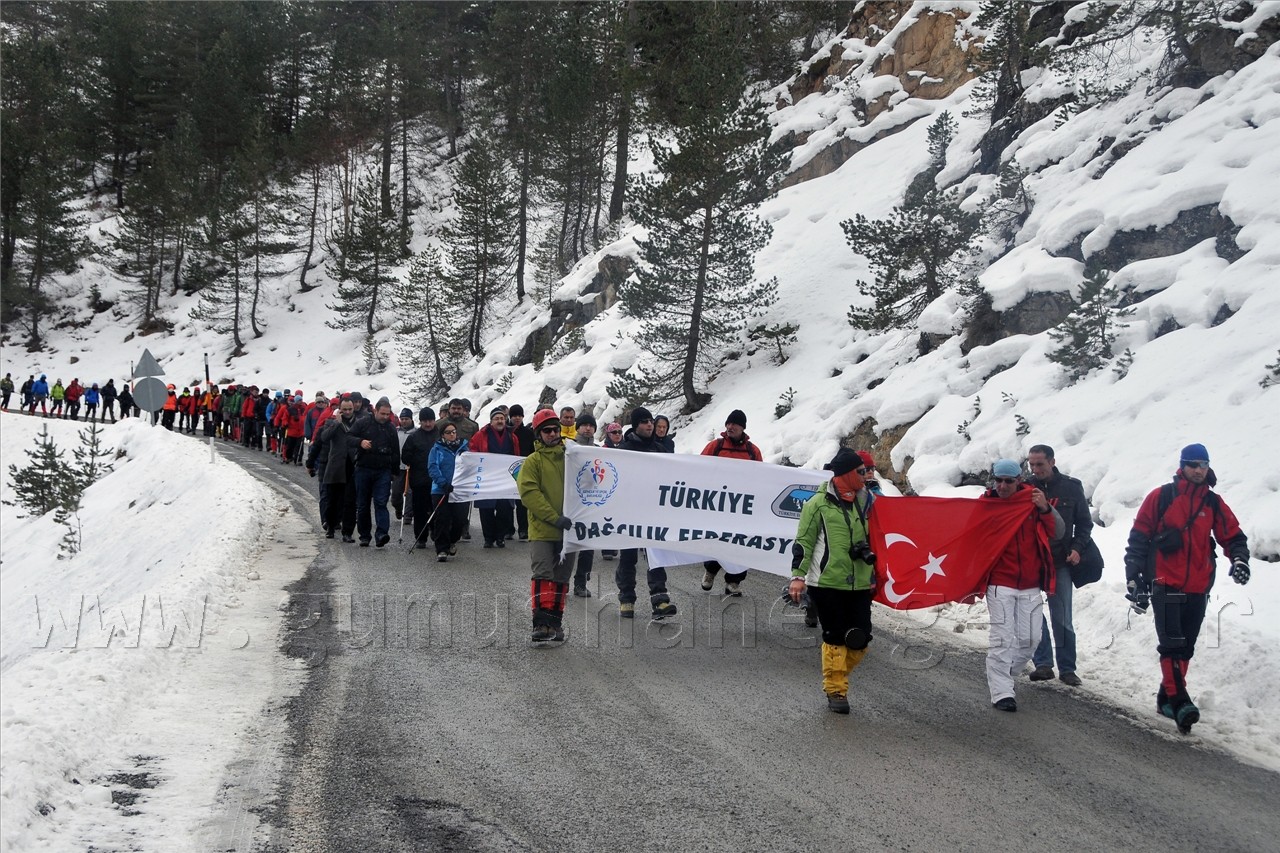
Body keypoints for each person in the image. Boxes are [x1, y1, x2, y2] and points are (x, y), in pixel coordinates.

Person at [1124, 443, 1249, 734]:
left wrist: (1240, 560)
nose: (1197, 470)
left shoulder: (1213, 503)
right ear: (1182, 466)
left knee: (1187, 647)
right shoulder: (1161, 496)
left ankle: (1164, 698)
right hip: (1164, 583)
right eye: (1192, 464)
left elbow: (1233, 535)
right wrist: (1134, 575)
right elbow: (1138, 538)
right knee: (1172, 644)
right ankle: (1180, 702)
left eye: (1202, 465)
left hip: (1198, 585)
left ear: (1208, 467)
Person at [788, 448, 877, 714]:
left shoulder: (868, 501)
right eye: (860, 472)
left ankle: (834, 672)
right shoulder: (817, 504)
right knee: (835, 636)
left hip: (860, 581)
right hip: (826, 582)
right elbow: (803, 541)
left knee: (860, 639)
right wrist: (798, 576)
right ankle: (836, 689)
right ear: (847, 474)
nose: (866, 476)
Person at [981, 459, 1064, 712]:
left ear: (1019, 480)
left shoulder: (1034, 501)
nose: (1003, 486)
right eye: (999, 480)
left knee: (1030, 639)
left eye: (1008, 480)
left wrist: (1045, 509)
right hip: (999, 583)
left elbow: (1058, 532)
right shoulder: (987, 505)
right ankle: (1002, 692)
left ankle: (1005, 673)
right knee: (1002, 639)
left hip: (1029, 584)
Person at [1027, 444, 1094, 687]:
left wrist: (1077, 548)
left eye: (1040, 464)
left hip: (1060, 562)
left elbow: (1085, 524)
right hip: (1032, 562)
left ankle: (1068, 668)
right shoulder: (1024, 487)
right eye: (1031, 464)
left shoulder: (1071, 487)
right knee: (1034, 616)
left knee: (1062, 617)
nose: (1035, 469)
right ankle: (1043, 663)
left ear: (1052, 462)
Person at [517, 408, 578, 644]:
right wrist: (554, 518)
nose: (552, 433)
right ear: (539, 434)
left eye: (555, 429)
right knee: (543, 574)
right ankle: (541, 623)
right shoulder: (533, 462)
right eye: (547, 430)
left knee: (562, 578)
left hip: (571, 530)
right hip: (543, 529)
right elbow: (530, 494)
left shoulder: (573, 457)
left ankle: (555, 623)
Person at [614, 407, 678, 620]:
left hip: (654, 512)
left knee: (655, 555)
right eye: (644, 422)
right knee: (628, 557)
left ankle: (660, 599)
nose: (650, 425)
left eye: (651, 421)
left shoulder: (661, 450)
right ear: (635, 425)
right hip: (630, 512)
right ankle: (626, 599)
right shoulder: (624, 450)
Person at [700, 409, 764, 597]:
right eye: (728, 423)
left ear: (742, 427)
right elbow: (697, 468)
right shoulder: (716, 446)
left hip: (742, 507)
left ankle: (734, 581)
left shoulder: (753, 451)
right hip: (718, 505)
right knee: (717, 540)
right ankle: (710, 571)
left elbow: (762, 477)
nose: (730, 427)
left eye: (734, 424)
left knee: (740, 544)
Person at [349, 397, 399, 547]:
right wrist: (360, 442)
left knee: (381, 502)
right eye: (382, 414)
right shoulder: (363, 423)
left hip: (383, 470)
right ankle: (364, 535)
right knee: (363, 504)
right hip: (363, 468)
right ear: (375, 411)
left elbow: (396, 451)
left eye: (387, 414)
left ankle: (382, 534)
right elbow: (348, 437)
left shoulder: (390, 428)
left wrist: (395, 471)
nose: (385, 417)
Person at [468, 407, 518, 548]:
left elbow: (516, 455)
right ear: (491, 421)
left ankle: (500, 536)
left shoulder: (512, 436)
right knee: (486, 509)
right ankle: (488, 538)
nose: (500, 421)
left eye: (502, 418)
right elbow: (473, 450)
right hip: (486, 478)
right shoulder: (480, 435)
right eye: (496, 418)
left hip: (505, 479)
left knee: (505, 508)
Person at [317, 398, 358, 541]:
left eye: (350, 409)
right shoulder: (331, 422)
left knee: (349, 501)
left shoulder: (358, 423)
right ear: (339, 410)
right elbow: (324, 437)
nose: (347, 412)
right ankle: (330, 526)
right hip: (335, 467)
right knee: (332, 500)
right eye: (344, 409)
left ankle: (347, 532)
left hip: (351, 465)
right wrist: (337, 423)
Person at [427, 422, 470, 559]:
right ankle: (442, 548)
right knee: (442, 519)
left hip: (460, 490)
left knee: (460, 519)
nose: (452, 434)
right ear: (442, 435)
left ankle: (452, 540)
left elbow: (470, 467)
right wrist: (443, 483)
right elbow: (433, 467)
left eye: (454, 432)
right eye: (448, 432)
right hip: (441, 490)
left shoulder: (464, 449)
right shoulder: (437, 449)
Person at [400, 407, 440, 549]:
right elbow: (405, 457)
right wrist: (414, 458)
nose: (428, 424)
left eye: (430, 421)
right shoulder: (414, 437)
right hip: (419, 480)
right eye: (425, 421)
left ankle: (437, 534)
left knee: (437, 509)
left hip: (437, 480)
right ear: (421, 422)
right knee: (420, 510)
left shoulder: (441, 436)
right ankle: (421, 537)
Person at [570, 413, 599, 596]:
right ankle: (559, 580)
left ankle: (581, 581)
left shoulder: (599, 450)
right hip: (571, 501)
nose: (588, 428)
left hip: (591, 503)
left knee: (587, 545)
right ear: (577, 427)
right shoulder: (569, 448)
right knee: (567, 544)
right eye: (584, 425)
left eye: (591, 425)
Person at [392, 408, 416, 520]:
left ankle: (408, 515)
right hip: (398, 466)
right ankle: (398, 507)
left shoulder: (416, 432)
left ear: (411, 419)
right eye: (402, 419)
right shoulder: (396, 431)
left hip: (411, 467)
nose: (404, 421)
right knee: (396, 493)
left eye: (406, 419)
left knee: (409, 492)